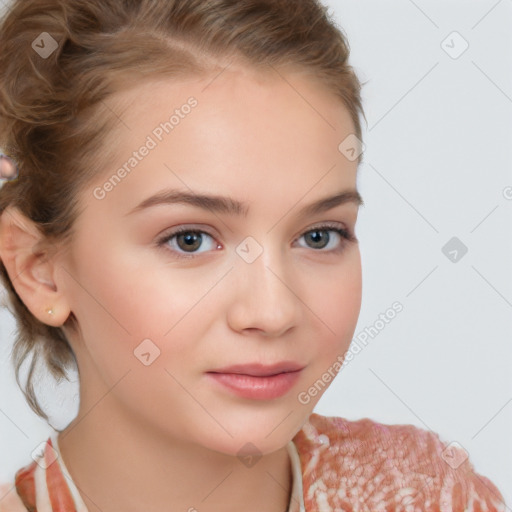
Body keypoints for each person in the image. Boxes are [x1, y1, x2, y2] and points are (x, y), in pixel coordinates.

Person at [0, 1, 506, 511]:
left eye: (318, 236)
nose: (273, 312)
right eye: (190, 239)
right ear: (38, 270)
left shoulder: (431, 496)